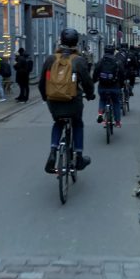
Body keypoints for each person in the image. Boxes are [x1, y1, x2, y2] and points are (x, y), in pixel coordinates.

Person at [39, 28, 95, 173]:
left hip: (54, 102)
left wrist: (46, 97)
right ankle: (79, 157)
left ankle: (53, 153)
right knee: (77, 124)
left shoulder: (50, 59)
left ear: (61, 41)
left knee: (58, 122)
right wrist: (90, 95)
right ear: (76, 42)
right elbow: (88, 82)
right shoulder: (79, 60)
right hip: (73, 101)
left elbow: (42, 82)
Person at [93, 45, 124, 128]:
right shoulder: (117, 62)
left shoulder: (100, 61)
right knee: (116, 102)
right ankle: (117, 122)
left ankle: (100, 114)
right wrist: (121, 85)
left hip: (103, 86)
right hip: (114, 87)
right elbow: (122, 74)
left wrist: (94, 81)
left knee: (102, 99)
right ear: (113, 51)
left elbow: (95, 73)